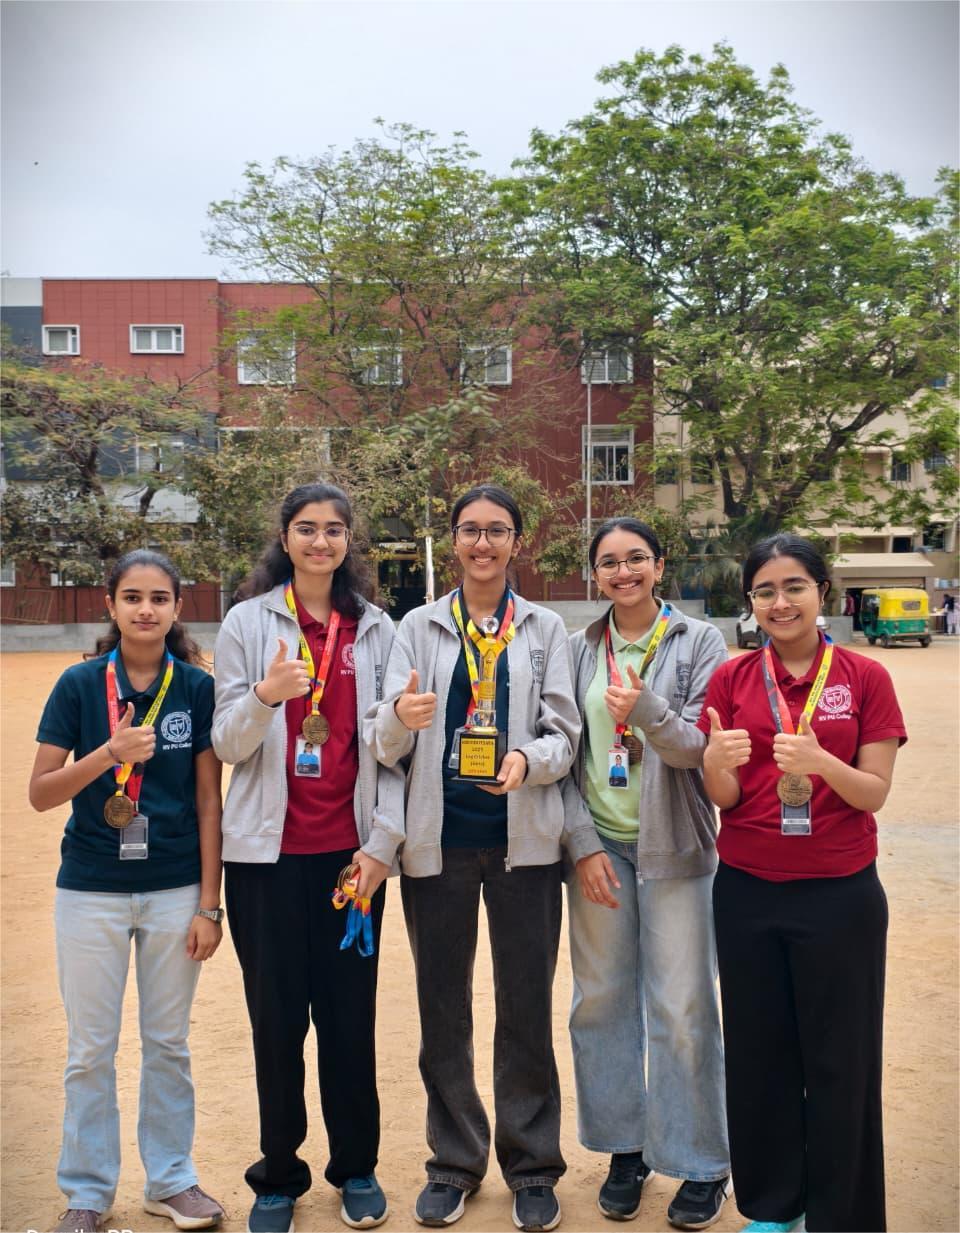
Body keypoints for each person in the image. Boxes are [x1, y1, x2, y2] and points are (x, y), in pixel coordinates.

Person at [370, 483, 580, 1233]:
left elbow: (566, 734)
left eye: (496, 530)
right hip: (439, 844)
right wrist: (401, 715)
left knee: (526, 1005)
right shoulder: (417, 626)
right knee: (443, 1008)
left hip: (526, 847)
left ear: (517, 542)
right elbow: (381, 740)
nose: (482, 543)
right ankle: (454, 1162)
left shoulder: (546, 628)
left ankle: (533, 1166)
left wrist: (527, 759)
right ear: (453, 540)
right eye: (469, 529)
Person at [699, 533, 906, 1233]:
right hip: (747, 890)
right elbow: (725, 799)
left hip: (839, 894)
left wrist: (821, 762)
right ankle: (772, 1206)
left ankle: (842, 1214)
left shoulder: (865, 677)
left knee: (842, 1059)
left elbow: (874, 792)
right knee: (760, 1055)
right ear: (750, 601)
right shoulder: (731, 679)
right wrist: (714, 763)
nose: (780, 602)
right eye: (765, 590)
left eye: (794, 587)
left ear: (823, 592)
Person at [212, 482, 404, 1233]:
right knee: (277, 1022)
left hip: (350, 862)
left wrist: (380, 845)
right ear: (285, 537)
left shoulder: (376, 628)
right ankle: (278, 1176)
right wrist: (265, 695)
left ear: (349, 540)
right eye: (305, 528)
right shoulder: (247, 621)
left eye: (333, 529)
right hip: (264, 861)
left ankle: (356, 1168)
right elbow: (227, 744)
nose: (320, 541)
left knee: (350, 1023)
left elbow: (392, 752)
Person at [29, 549, 225, 1233]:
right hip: (91, 890)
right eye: (133, 597)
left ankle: (171, 1179)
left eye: (159, 598)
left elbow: (209, 801)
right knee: (90, 1048)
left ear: (177, 608)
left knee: (168, 1042)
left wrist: (209, 904)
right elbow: (40, 793)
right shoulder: (79, 685)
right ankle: (87, 1192)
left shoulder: (195, 688)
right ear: (110, 604)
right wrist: (109, 754)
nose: (146, 609)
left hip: (174, 889)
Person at [563, 518, 732, 1230]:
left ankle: (700, 1160)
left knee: (684, 1005)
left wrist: (647, 710)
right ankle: (625, 1149)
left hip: (676, 847)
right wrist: (581, 843)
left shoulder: (700, 641)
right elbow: (563, 752)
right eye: (609, 562)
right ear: (594, 574)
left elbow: (700, 747)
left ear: (660, 565)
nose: (623, 571)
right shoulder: (578, 648)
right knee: (600, 1001)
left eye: (637, 558)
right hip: (600, 847)